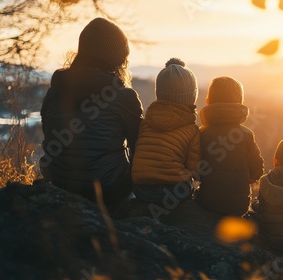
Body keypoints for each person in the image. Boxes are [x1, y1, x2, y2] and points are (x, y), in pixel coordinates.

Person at [40, 18, 143, 207]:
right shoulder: (124, 97)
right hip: (110, 192)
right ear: (116, 59)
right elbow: (139, 150)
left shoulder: (54, 92)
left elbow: (49, 138)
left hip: (60, 188)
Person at [131, 58, 201, 206]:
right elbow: (194, 168)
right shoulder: (192, 129)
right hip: (173, 192)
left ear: (159, 93)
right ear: (191, 96)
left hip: (141, 190)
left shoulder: (145, 123)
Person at [195, 76, 264, 216]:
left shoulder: (201, 133)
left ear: (208, 101)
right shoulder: (246, 135)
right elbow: (257, 171)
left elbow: (196, 172)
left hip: (207, 203)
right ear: (240, 103)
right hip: (239, 206)